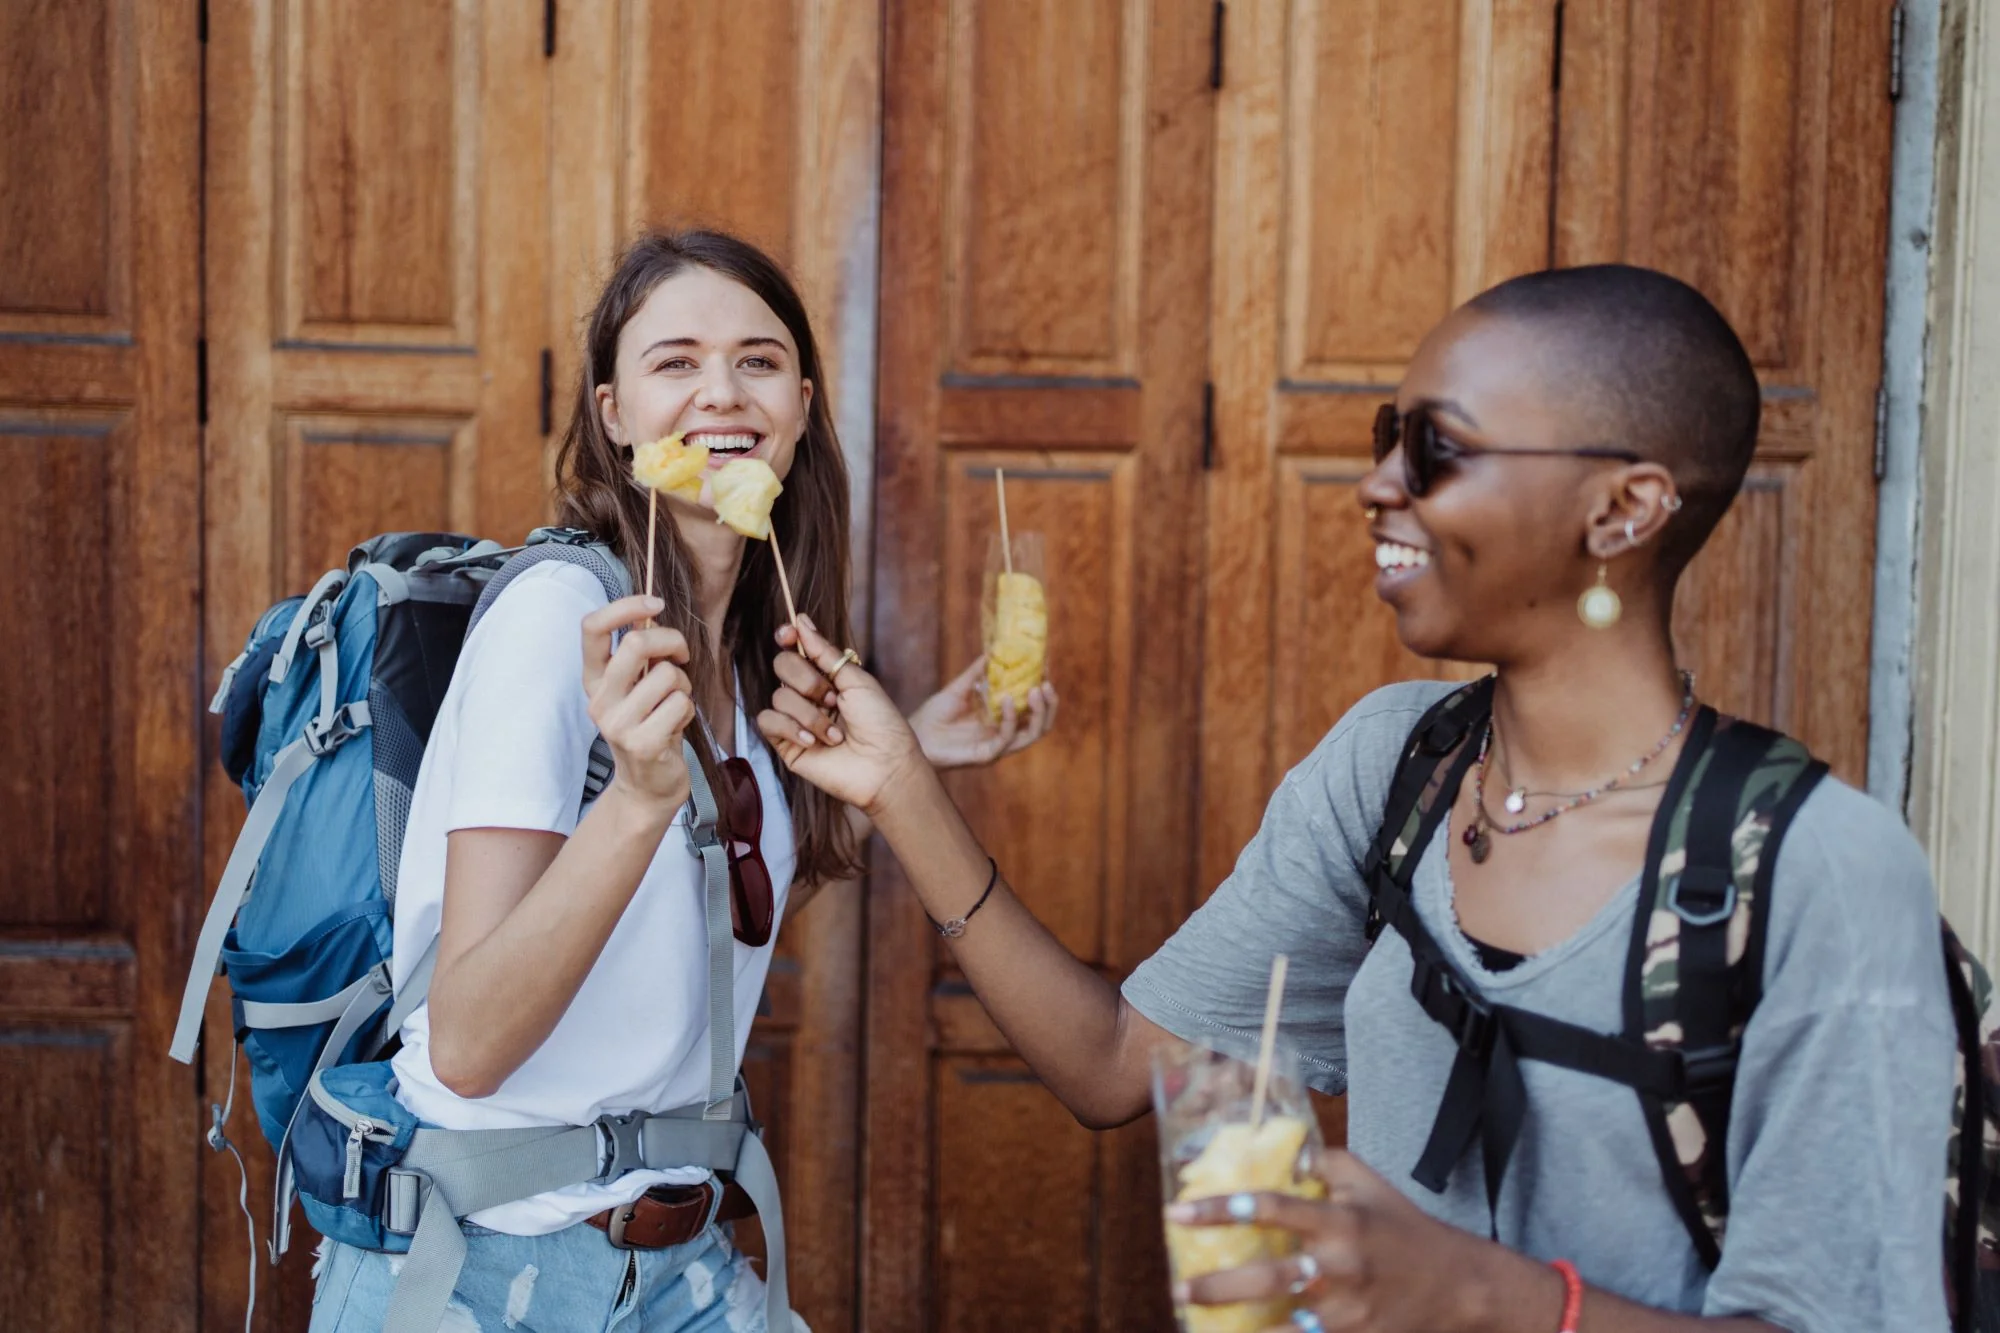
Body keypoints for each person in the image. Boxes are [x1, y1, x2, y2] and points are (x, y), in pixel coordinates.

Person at [755, 264, 1955, 1330]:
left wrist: (1475, 1295)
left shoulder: (1814, 867)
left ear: (1621, 508)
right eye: (1388, 436)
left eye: (1434, 447)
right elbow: (1111, 1066)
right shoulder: (1397, 766)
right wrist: (901, 789)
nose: (1376, 484)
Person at [307, 229, 1057, 1332]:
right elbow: (466, 1046)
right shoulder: (561, 620)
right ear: (614, 414)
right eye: (676, 362)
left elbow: (699, 915)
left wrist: (915, 754)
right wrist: (637, 800)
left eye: (759, 361)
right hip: (481, 1266)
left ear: (800, 408)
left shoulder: (750, 657)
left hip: (676, 1263)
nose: (723, 391)